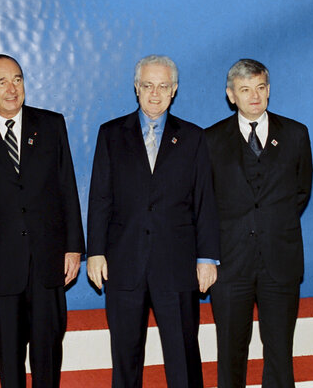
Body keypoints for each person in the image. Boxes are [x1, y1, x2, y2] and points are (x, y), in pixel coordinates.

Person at [86, 54, 219, 388]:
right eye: (147, 85)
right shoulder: (111, 134)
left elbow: (205, 201)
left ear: (174, 90)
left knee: (183, 357)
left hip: (177, 265)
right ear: (136, 88)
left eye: (163, 86)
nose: (155, 94)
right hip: (123, 263)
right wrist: (96, 252)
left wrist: (207, 258)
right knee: (125, 357)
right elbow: (100, 198)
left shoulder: (193, 137)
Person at [0, 54, 84, 388]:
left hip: (48, 264)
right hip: (2, 269)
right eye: (1, 82)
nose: (12, 88)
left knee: (48, 353)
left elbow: (66, 187)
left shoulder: (51, 125)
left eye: (17, 79)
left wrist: (74, 247)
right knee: (10, 358)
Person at [205, 59, 313, 388]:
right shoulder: (209, 140)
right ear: (231, 95)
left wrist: (270, 224)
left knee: (280, 352)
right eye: (245, 89)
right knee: (230, 353)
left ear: (269, 90)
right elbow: (204, 202)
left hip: (280, 263)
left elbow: (301, 191)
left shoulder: (295, 134)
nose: (255, 96)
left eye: (261, 88)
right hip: (229, 265)